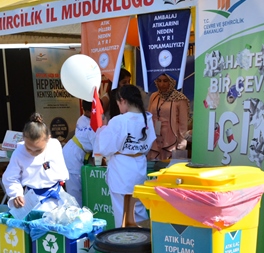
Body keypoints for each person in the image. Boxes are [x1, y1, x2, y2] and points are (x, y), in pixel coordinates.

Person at [94, 84, 156, 228]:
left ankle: (125, 245)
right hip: (139, 165)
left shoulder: (119, 120)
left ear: (122, 100)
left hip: (121, 168)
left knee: (122, 212)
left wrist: (102, 129)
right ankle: (143, 242)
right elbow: (149, 143)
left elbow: (104, 147)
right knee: (138, 208)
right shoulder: (147, 118)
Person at [2, 113, 69, 212]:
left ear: (48, 138)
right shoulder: (19, 152)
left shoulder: (54, 145)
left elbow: (58, 170)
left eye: (38, 150)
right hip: (32, 198)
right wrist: (16, 194)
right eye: (28, 148)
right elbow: (10, 177)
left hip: (56, 194)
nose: (33, 152)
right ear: (23, 139)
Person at [146, 73, 190, 161]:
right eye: (159, 81)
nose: (161, 84)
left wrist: (181, 146)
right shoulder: (154, 96)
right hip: (155, 139)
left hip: (172, 141)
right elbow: (149, 116)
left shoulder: (180, 99)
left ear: (172, 81)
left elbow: (183, 125)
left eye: (165, 81)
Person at [62, 101, 95, 205]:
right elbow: (99, 152)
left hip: (73, 151)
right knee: (75, 194)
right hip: (73, 157)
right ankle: (75, 218)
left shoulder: (82, 119)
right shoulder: (91, 126)